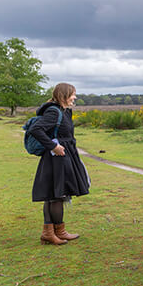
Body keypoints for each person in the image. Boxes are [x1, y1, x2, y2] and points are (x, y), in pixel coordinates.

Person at [30, 83, 90, 245]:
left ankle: (53, 232)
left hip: (62, 156)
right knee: (57, 195)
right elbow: (36, 130)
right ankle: (56, 232)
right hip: (57, 158)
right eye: (72, 94)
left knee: (53, 195)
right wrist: (53, 146)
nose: (75, 97)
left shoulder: (63, 111)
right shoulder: (53, 111)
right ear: (64, 95)